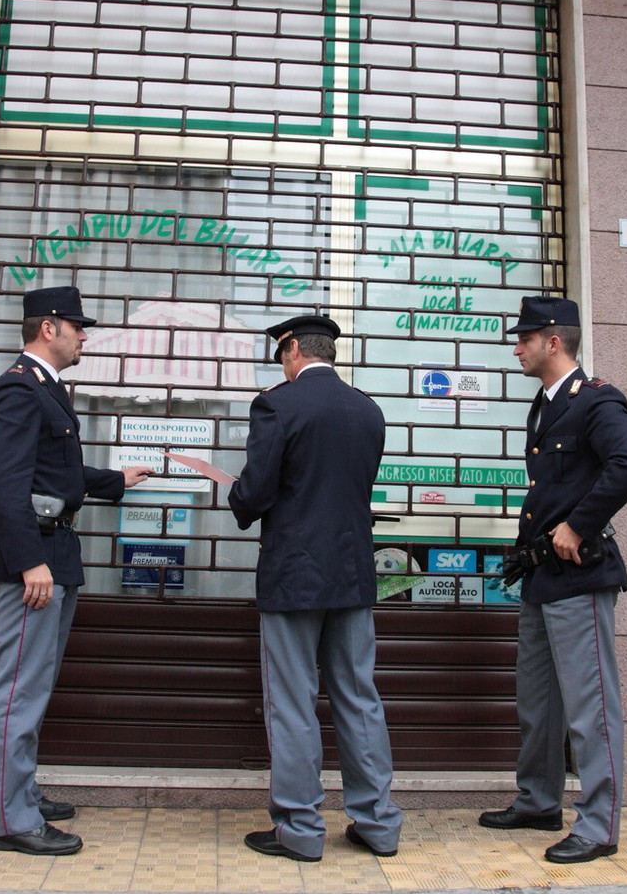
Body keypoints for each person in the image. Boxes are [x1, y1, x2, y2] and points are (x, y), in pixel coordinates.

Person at [0, 286, 153, 856]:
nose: (85, 335)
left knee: (36, 684)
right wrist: (29, 560)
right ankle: (9, 819)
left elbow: (58, 473)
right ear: (47, 328)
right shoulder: (17, 389)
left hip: (55, 555)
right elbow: (6, 486)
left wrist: (117, 480)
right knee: (18, 691)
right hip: (35, 558)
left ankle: (20, 790)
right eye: (77, 326)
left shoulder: (45, 390)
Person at [228, 314, 403, 863]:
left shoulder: (276, 405)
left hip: (294, 576)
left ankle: (299, 831)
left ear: (295, 350)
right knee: (359, 698)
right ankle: (378, 824)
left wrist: (237, 495)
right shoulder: (368, 409)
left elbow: (255, 494)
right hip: (352, 573)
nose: (282, 363)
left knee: (293, 702)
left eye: (282, 353)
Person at [479, 296, 627, 864]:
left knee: (589, 707)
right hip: (543, 576)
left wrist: (577, 525)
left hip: (580, 575)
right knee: (538, 701)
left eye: (524, 338)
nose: (516, 347)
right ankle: (538, 800)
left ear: (554, 341)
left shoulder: (596, 400)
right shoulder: (544, 406)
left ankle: (598, 826)